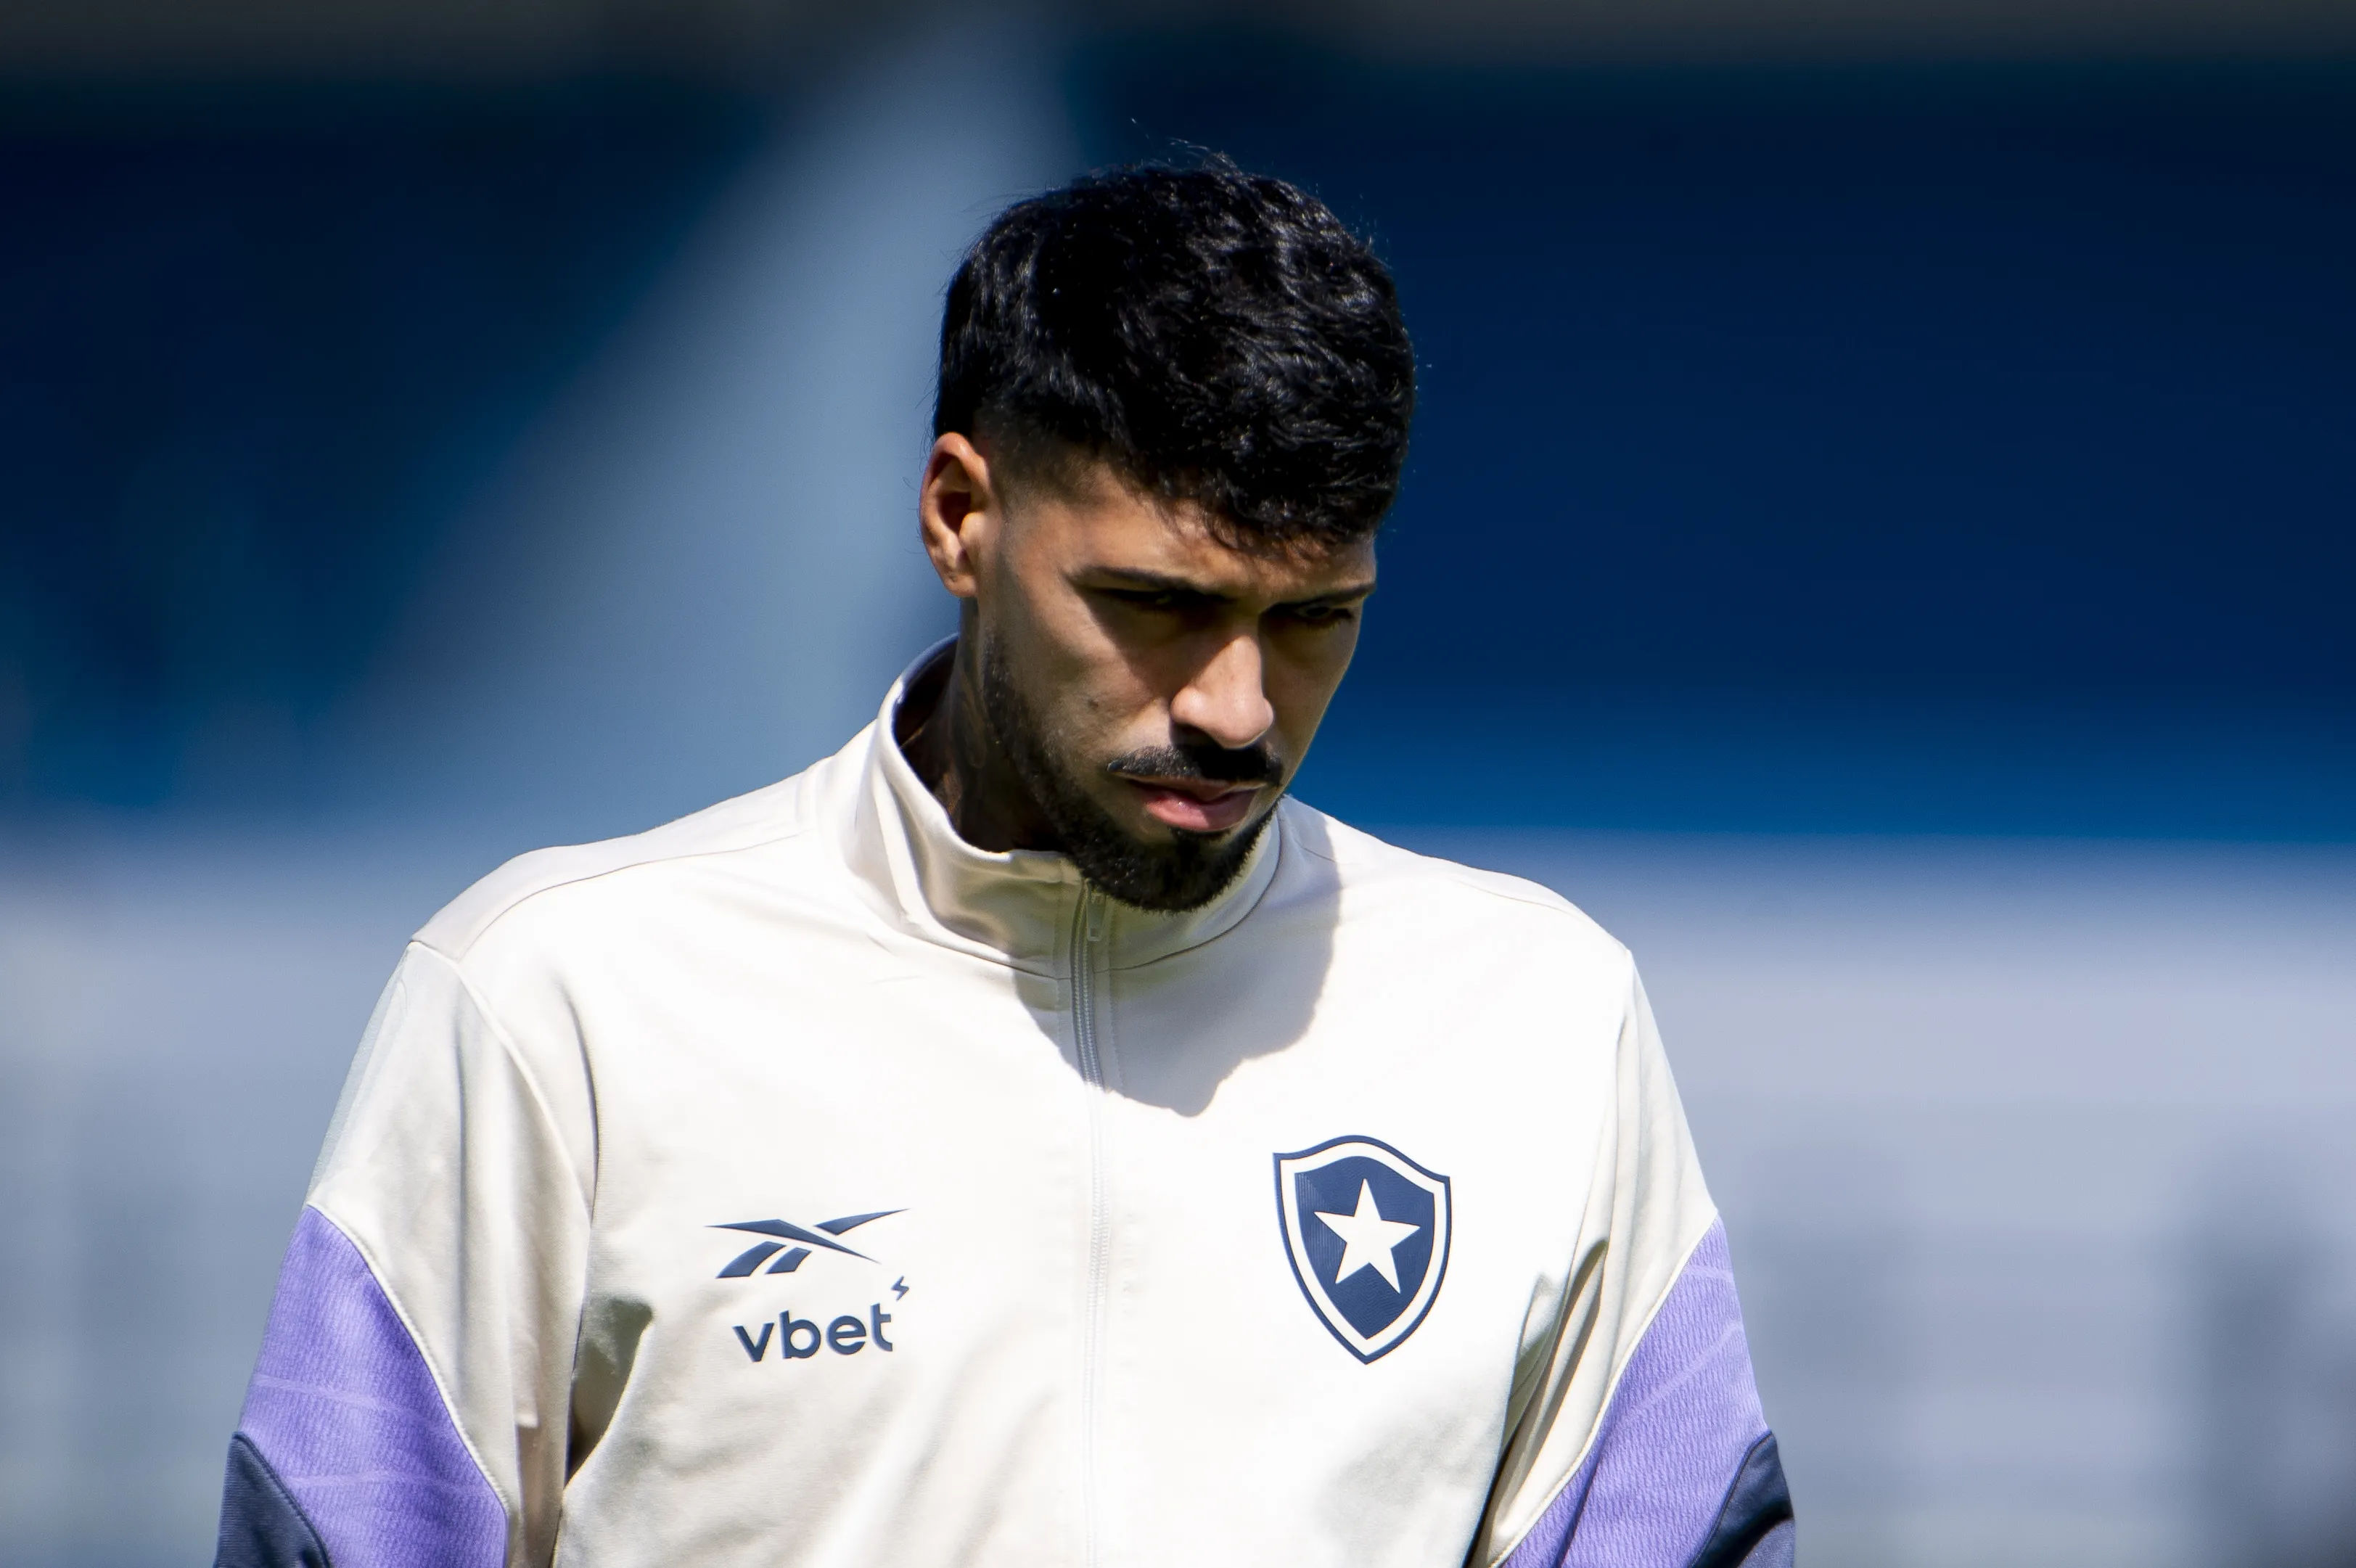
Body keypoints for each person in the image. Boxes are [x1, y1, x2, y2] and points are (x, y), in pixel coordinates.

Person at [213, 160, 1792, 1568]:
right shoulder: (557, 1001)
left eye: (1315, 622)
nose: (1237, 709)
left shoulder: (1537, 1022)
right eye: (1160, 606)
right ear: (961, 515)